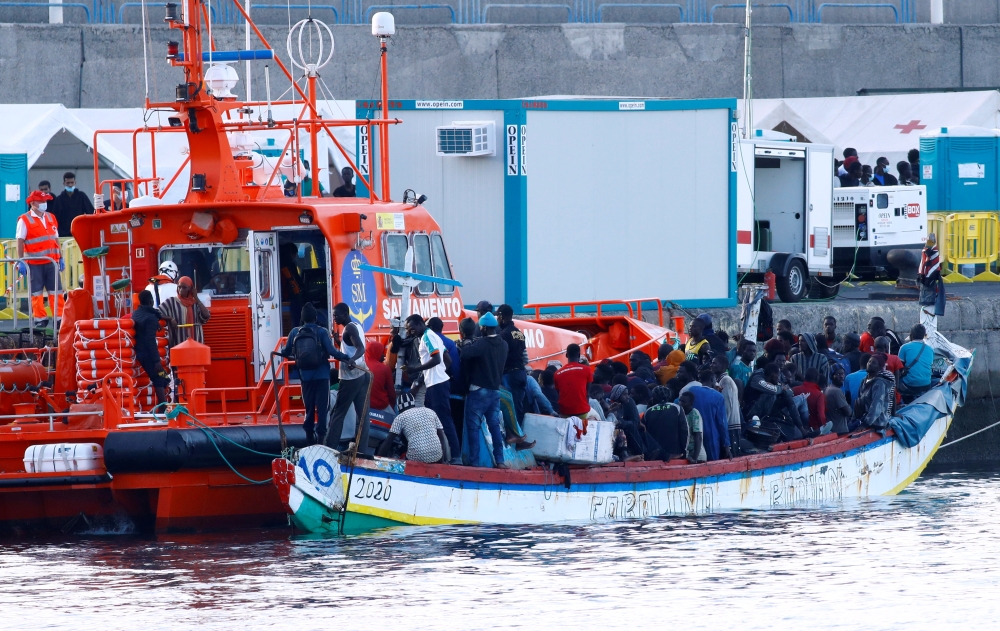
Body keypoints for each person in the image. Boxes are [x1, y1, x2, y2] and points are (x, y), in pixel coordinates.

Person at [283, 303, 350, 446]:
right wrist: (347, 358)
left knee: (309, 409)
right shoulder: (322, 331)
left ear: (302, 318)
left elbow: (286, 352)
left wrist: (291, 356)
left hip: (304, 377)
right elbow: (332, 352)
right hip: (322, 376)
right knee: (322, 408)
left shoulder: (295, 332)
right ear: (315, 317)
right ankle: (320, 441)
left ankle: (309, 438)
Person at [405, 313, 460, 462]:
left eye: (411, 328)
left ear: (419, 324)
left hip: (437, 384)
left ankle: (455, 457)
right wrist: (438, 373)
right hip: (438, 382)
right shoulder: (434, 336)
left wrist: (415, 369)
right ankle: (450, 456)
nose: (410, 332)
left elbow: (436, 359)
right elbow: (447, 360)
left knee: (443, 422)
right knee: (443, 421)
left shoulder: (427, 337)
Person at [460, 312, 509, 468]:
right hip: (495, 391)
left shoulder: (481, 344)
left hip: (478, 391)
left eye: (480, 326)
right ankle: (500, 460)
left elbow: (465, 354)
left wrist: (467, 343)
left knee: (473, 427)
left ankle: (474, 462)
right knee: (494, 426)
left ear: (484, 328)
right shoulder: (504, 344)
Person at [327, 303, 372, 454]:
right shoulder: (356, 325)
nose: (334, 318)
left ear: (345, 314)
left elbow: (360, 348)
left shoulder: (349, 328)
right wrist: (338, 342)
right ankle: (363, 451)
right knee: (363, 415)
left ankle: (330, 449)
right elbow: (351, 347)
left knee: (338, 413)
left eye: (336, 315)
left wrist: (352, 360)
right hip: (363, 373)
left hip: (351, 377)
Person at [15, 190, 62, 320]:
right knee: (36, 293)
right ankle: (40, 319)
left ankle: (59, 318)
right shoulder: (24, 220)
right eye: (41, 201)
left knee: (56, 291)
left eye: (45, 201)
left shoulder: (51, 217)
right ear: (33, 203)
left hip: (52, 262)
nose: (44, 203)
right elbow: (20, 240)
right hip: (34, 263)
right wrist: (21, 260)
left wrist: (61, 257)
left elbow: (56, 238)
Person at [376, 393, 451, 464]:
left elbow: (388, 441)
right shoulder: (430, 411)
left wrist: (378, 459)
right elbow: (441, 437)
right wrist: (443, 461)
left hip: (416, 457)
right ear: (413, 403)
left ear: (399, 408)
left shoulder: (400, 417)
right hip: (437, 455)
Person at [131, 290, 170, 405]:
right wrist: (157, 361)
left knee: (165, 378)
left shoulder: (137, 313)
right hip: (148, 355)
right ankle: (163, 408)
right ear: (151, 301)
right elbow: (150, 341)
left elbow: (152, 312)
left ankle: (163, 405)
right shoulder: (150, 318)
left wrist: (157, 319)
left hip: (140, 352)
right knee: (159, 378)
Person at [687, 369, 731, 461]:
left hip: (692, 434)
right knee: (712, 464)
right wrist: (727, 445)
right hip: (711, 436)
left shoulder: (691, 390)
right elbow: (722, 423)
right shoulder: (718, 396)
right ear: (712, 379)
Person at [496, 304, 528, 425]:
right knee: (518, 406)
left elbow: (500, 356)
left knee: (508, 407)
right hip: (521, 373)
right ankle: (520, 435)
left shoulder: (504, 334)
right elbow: (525, 357)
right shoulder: (520, 334)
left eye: (498, 316)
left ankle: (513, 438)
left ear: (501, 316)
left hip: (509, 375)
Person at [160, 276, 210, 347]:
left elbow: (206, 315)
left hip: (196, 342)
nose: (181, 290)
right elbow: (157, 313)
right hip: (178, 343)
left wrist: (196, 297)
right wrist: (170, 318)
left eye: (184, 288)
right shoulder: (171, 302)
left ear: (190, 289)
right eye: (179, 287)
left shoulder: (195, 303)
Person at [643, 386, 689, 461]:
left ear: (654, 397)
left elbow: (644, 434)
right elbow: (684, 431)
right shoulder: (677, 408)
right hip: (675, 454)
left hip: (655, 456)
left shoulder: (648, 412)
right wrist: (684, 452)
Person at [712, 355, 742, 456]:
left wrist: (723, 431)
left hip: (730, 427)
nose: (712, 365)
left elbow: (726, 408)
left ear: (724, 365)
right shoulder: (720, 380)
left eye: (715, 363)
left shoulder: (726, 381)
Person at [554, 344, 593, 422]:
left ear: (566, 355)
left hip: (564, 412)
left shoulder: (557, 373)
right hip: (582, 411)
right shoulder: (587, 370)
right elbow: (587, 393)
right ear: (579, 355)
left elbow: (559, 393)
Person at [50, 172, 94, 238]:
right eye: (68, 183)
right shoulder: (59, 199)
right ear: (64, 183)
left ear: (75, 182)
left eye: (72, 182)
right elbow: (55, 218)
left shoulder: (81, 196)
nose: (70, 185)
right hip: (64, 234)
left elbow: (91, 212)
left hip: (80, 232)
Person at [897, 324, 934, 402]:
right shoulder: (930, 349)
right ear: (924, 335)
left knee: (897, 379)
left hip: (909, 385)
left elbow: (899, 368)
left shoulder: (904, 347)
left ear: (911, 335)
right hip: (926, 385)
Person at [853, 356, 892, 429]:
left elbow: (877, 405)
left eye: (873, 363)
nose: (870, 364)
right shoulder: (864, 381)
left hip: (876, 423)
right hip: (864, 419)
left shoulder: (879, 383)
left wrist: (865, 424)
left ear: (879, 367)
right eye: (869, 362)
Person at [918, 234, 945, 322]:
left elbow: (933, 266)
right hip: (926, 277)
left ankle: (929, 316)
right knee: (926, 301)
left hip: (931, 278)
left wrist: (928, 276)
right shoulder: (927, 250)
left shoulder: (933, 251)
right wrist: (922, 275)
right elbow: (924, 263)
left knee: (930, 300)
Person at [793, 367, 827, 434]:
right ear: (817, 378)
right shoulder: (819, 394)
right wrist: (824, 429)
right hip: (813, 430)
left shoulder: (794, 390)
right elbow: (821, 416)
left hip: (795, 429)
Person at [366, 340, 396, 414]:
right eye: (381, 352)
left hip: (362, 407)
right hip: (381, 407)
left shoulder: (359, 366)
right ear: (376, 352)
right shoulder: (385, 369)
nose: (383, 355)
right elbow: (391, 394)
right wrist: (392, 405)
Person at [678, 391, 706, 463]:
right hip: (687, 454)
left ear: (691, 403)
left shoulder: (694, 413)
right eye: (680, 401)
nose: (680, 403)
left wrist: (695, 458)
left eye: (684, 402)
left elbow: (698, 437)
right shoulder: (679, 414)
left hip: (697, 455)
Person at [826, 365, 852, 434]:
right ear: (832, 376)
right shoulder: (836, 391)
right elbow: (848, 412)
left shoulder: (828, 388)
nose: (841, 376)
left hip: (833, 428)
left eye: (842, 374)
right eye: (838, 374)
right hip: (840, 430)